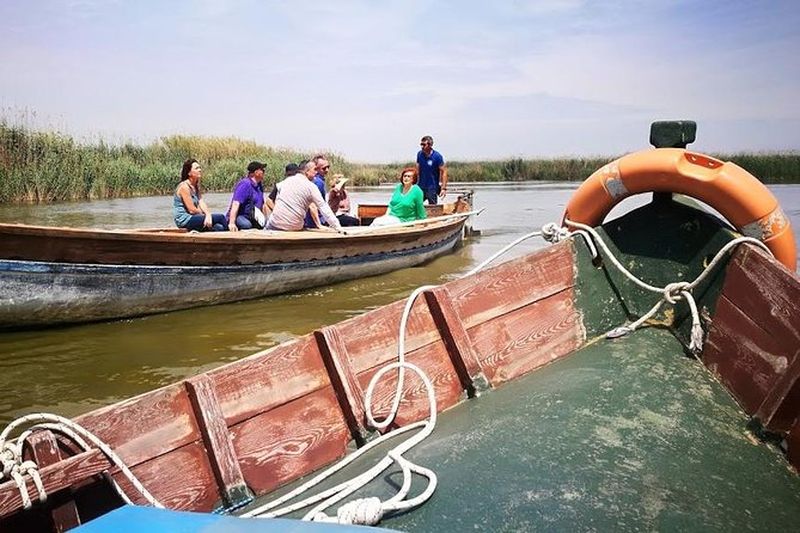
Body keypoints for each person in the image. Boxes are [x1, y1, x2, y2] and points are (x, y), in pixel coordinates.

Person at [266, 160, 342, 232]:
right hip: (295, 226)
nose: (316, 172)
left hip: (275, 224)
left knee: (269, 224)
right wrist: (338, 227)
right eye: (314, 169)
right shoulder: (311, 187)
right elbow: (324, 208)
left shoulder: (284, 182)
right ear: (306, 172)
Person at [173, 159, 226, 231]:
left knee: (219, 227)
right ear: (189, 173)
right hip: (185, 219)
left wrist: (208, 214)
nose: (200, 170)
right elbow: (192, 210)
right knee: (221, 218)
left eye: (199, 167)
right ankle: (234, 237)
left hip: (195, 217)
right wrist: (205, 215)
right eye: (196, 168)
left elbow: (201, 202)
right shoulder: (184, 187)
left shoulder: (196, 186)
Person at [227, 161, 268, 231]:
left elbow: (262, 205)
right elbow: (236, 203)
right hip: (241, 216)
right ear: (256, 172)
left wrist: (266, 221)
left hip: (254, 217)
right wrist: (232, 223)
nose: (264, 172)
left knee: (264, 224)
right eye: (262, 170)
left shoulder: (259, 185)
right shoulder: (245, 184)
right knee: (246, 225)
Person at [415, 135, 448, 205]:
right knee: (415, 204)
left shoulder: (437, 156)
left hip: (432, 187)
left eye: (424, 145)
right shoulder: (419, 154)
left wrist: (443, 188)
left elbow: (444, 171)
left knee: (433, 207)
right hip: (421, 186)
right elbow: (417, 170)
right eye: (421, 144)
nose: (422, 147)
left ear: (430, 145)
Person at [304, 157, 330, 228]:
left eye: (328, 167)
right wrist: (319, 224)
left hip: (311, 220)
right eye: (324, 168)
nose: (327, 170)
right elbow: (313, 205)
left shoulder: (313, 181)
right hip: (315, 221)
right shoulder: (318, 182)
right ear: (316, 168)